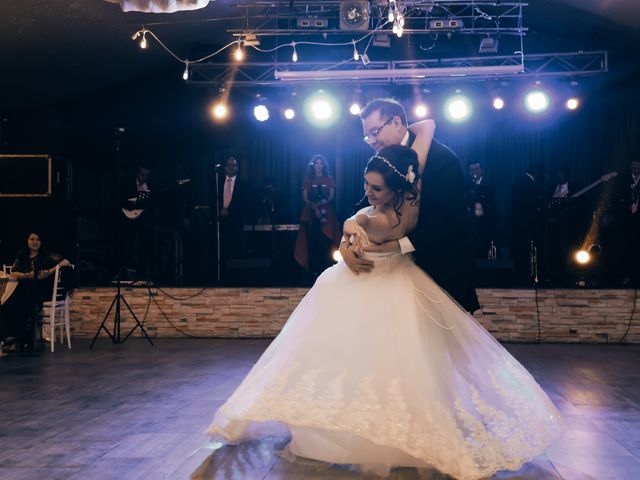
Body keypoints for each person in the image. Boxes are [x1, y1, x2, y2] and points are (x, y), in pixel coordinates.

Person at [207, 145, 562, 479]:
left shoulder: (395, 215)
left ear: (397, 188)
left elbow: (371, 222)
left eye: (376, 187)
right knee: (336, 357)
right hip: (358, 282)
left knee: (392, 360)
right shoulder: (395, 199)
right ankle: (336, 419)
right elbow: (367, 212)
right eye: (366, 185)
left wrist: (353, 225)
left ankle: (383, 430)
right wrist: (351, 227)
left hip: (391, 283)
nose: (369, 192)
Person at [340, 98, 479, 313]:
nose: (372, 141)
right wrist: (346, 242)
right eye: (367, 136)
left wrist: (397, 246)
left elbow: (450, 220)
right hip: (399, 271)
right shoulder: (384, 157)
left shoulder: (443, 159)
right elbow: (367, 203)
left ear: (396, 122)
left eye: (375, 132)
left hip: (441, 263)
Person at [0, 232, 71, 352]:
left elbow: (66, 262)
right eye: (32, 239)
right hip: (24, 288)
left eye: (38, 239)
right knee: (8, 301)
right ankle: (12, 337)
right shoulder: (22, 255)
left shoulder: (47, 255)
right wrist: (28, 275)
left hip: (41, 289)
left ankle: (21, 339)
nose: (35, 241)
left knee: (22, 301)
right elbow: (14, 272)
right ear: (27, 241)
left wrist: (49, 271)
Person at [294, 154, 341, 277]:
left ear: (324, 165)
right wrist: (314, 207)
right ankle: (312, 271)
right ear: (313, 165)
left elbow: (331, 196)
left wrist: (321, 204)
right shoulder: (307, 179)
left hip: (327, 215)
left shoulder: (329, 178)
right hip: (310, 213)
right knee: (311, 242)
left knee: (326, 242)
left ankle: (327, 271)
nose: (318, 165)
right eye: (316, 163)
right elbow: (305, 197)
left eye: (321, 163)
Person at [509, 162, 546, 285]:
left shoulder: (520, 182)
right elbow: (529, 206)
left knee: (521, 253)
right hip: (526, 226)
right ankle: (524, 278)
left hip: (518, 225)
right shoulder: (528, 184)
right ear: (536, 173)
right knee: (524, 253)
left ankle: (521, 277)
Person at [215, 156, 250, 278]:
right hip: (220, 222)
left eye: (233, 165)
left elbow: (244, 204)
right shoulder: (217, 183)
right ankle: (221, 275)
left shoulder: (243, 185)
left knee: (235, 249)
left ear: (237, 168)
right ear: (225, 167)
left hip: (236, 222)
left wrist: (230, 211)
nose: (231, 167)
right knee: (222, 250)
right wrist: (220, 211)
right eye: (229, 165)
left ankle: (235, 277)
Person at [120, 165, 154, 280]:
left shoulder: (150, 186)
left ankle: (142, 276)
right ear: (137, 174)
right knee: (127, 246)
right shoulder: (127, 184)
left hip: (145, 220)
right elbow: (119, 199)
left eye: (147, 176)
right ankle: (125, 274)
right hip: (129, 219)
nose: (144, 178)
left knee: (145, 247)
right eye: (142, 175)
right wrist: (131, 203)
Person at [465, 161, 496, 258]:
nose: (474, 172)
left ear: (482, 170)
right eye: (471, 170)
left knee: (486, 242)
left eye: (476, 169)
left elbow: (491, 201)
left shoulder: (489, 183)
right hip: (471, 220)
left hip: (486, 220)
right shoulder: (466, 184)